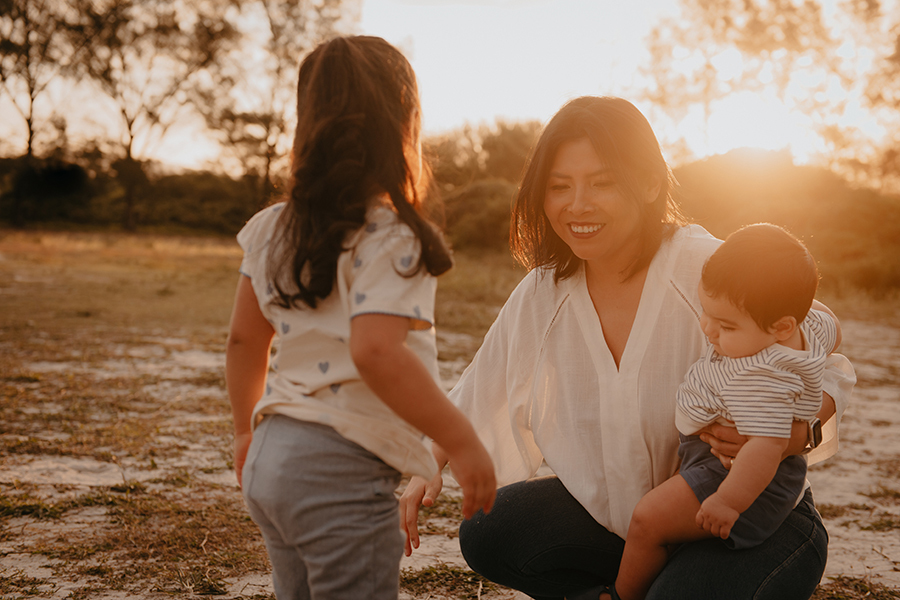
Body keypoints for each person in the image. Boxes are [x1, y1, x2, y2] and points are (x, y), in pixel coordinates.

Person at [399, 96, 856, 600]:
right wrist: (428, 461)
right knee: (490, 530)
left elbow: (823, 352)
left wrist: (796, 432)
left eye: (602, 182)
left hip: (752, 523)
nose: (577, 205)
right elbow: (483, 383)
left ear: (648, 184)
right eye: (559, 186)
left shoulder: (700, 265)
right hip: (629, 528)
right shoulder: (544, 291)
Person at [225, 35, 495, 600]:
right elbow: (377, 351)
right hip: (338, 475)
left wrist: (245, 429)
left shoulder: (273, 227)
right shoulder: (394, 235)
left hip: (270, 457)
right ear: (403, 127)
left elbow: (243, 341)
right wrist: (462, 441)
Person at [607, 223, 841, 600]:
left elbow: (766, 448)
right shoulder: (807, 328)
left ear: (781, 327)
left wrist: (728, 501)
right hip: (732, 466)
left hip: (741, 477)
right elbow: (830, 323)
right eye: (706, 311)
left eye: (727, 325)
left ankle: (620, 596)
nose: (708, 329)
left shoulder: (761, 377)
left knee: (647, 520)